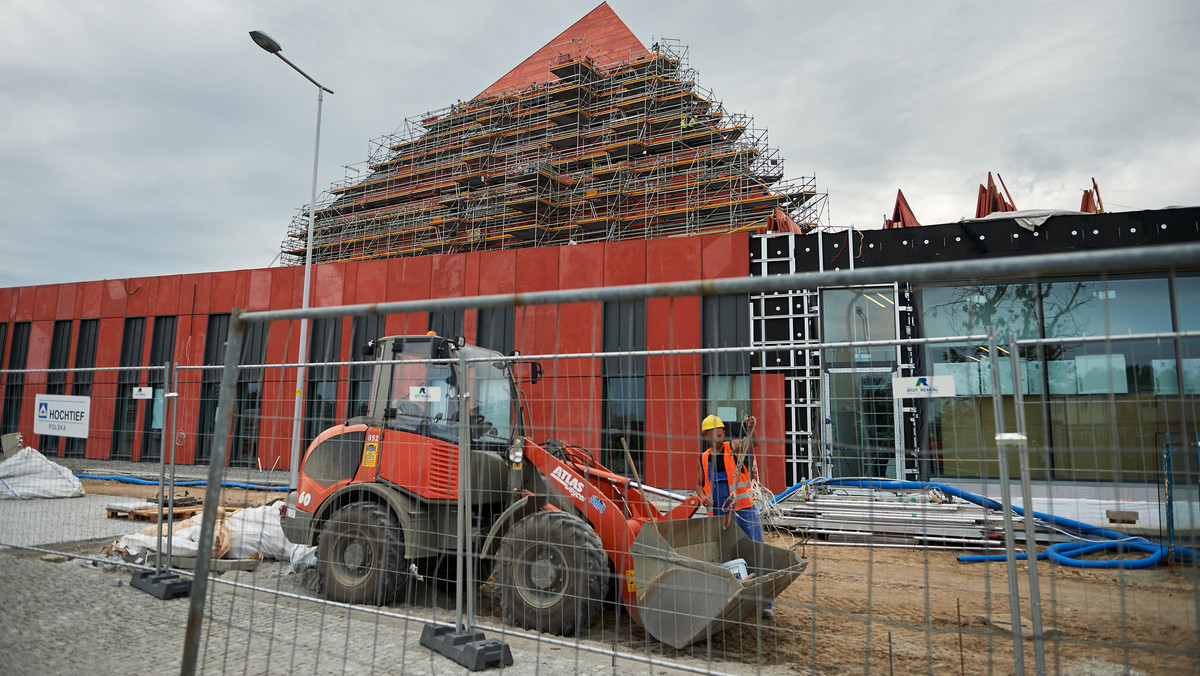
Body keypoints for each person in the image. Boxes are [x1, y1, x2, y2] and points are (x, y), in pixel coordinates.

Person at [696, 413, 773, 619]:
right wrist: (702, 496)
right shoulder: (703, 458)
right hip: (718, 515)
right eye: (713, 437)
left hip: (744, 510)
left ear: (723, 433)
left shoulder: (733, 447)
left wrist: (750, 428)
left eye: (720, 436)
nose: (717, 440)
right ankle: (729, 601)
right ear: (706, 437)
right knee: (725, 556)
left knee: (756, 551)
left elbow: (754, 442)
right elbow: (698, 484)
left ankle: (766, 603)